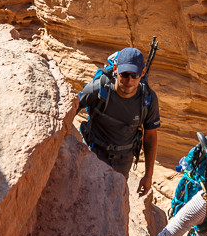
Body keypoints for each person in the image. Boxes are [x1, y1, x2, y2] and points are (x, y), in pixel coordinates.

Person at [66, 47, 162, 196]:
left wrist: (148, 176)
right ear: (116, 69)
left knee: (113, 199)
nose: (129, 81)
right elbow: (71, 108)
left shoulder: (148, 99)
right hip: (93, 153)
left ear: (142, 73)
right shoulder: (99, 89)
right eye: (124, 74)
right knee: (85, 195)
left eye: (134, 75)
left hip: (123, 161)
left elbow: (150, 137)